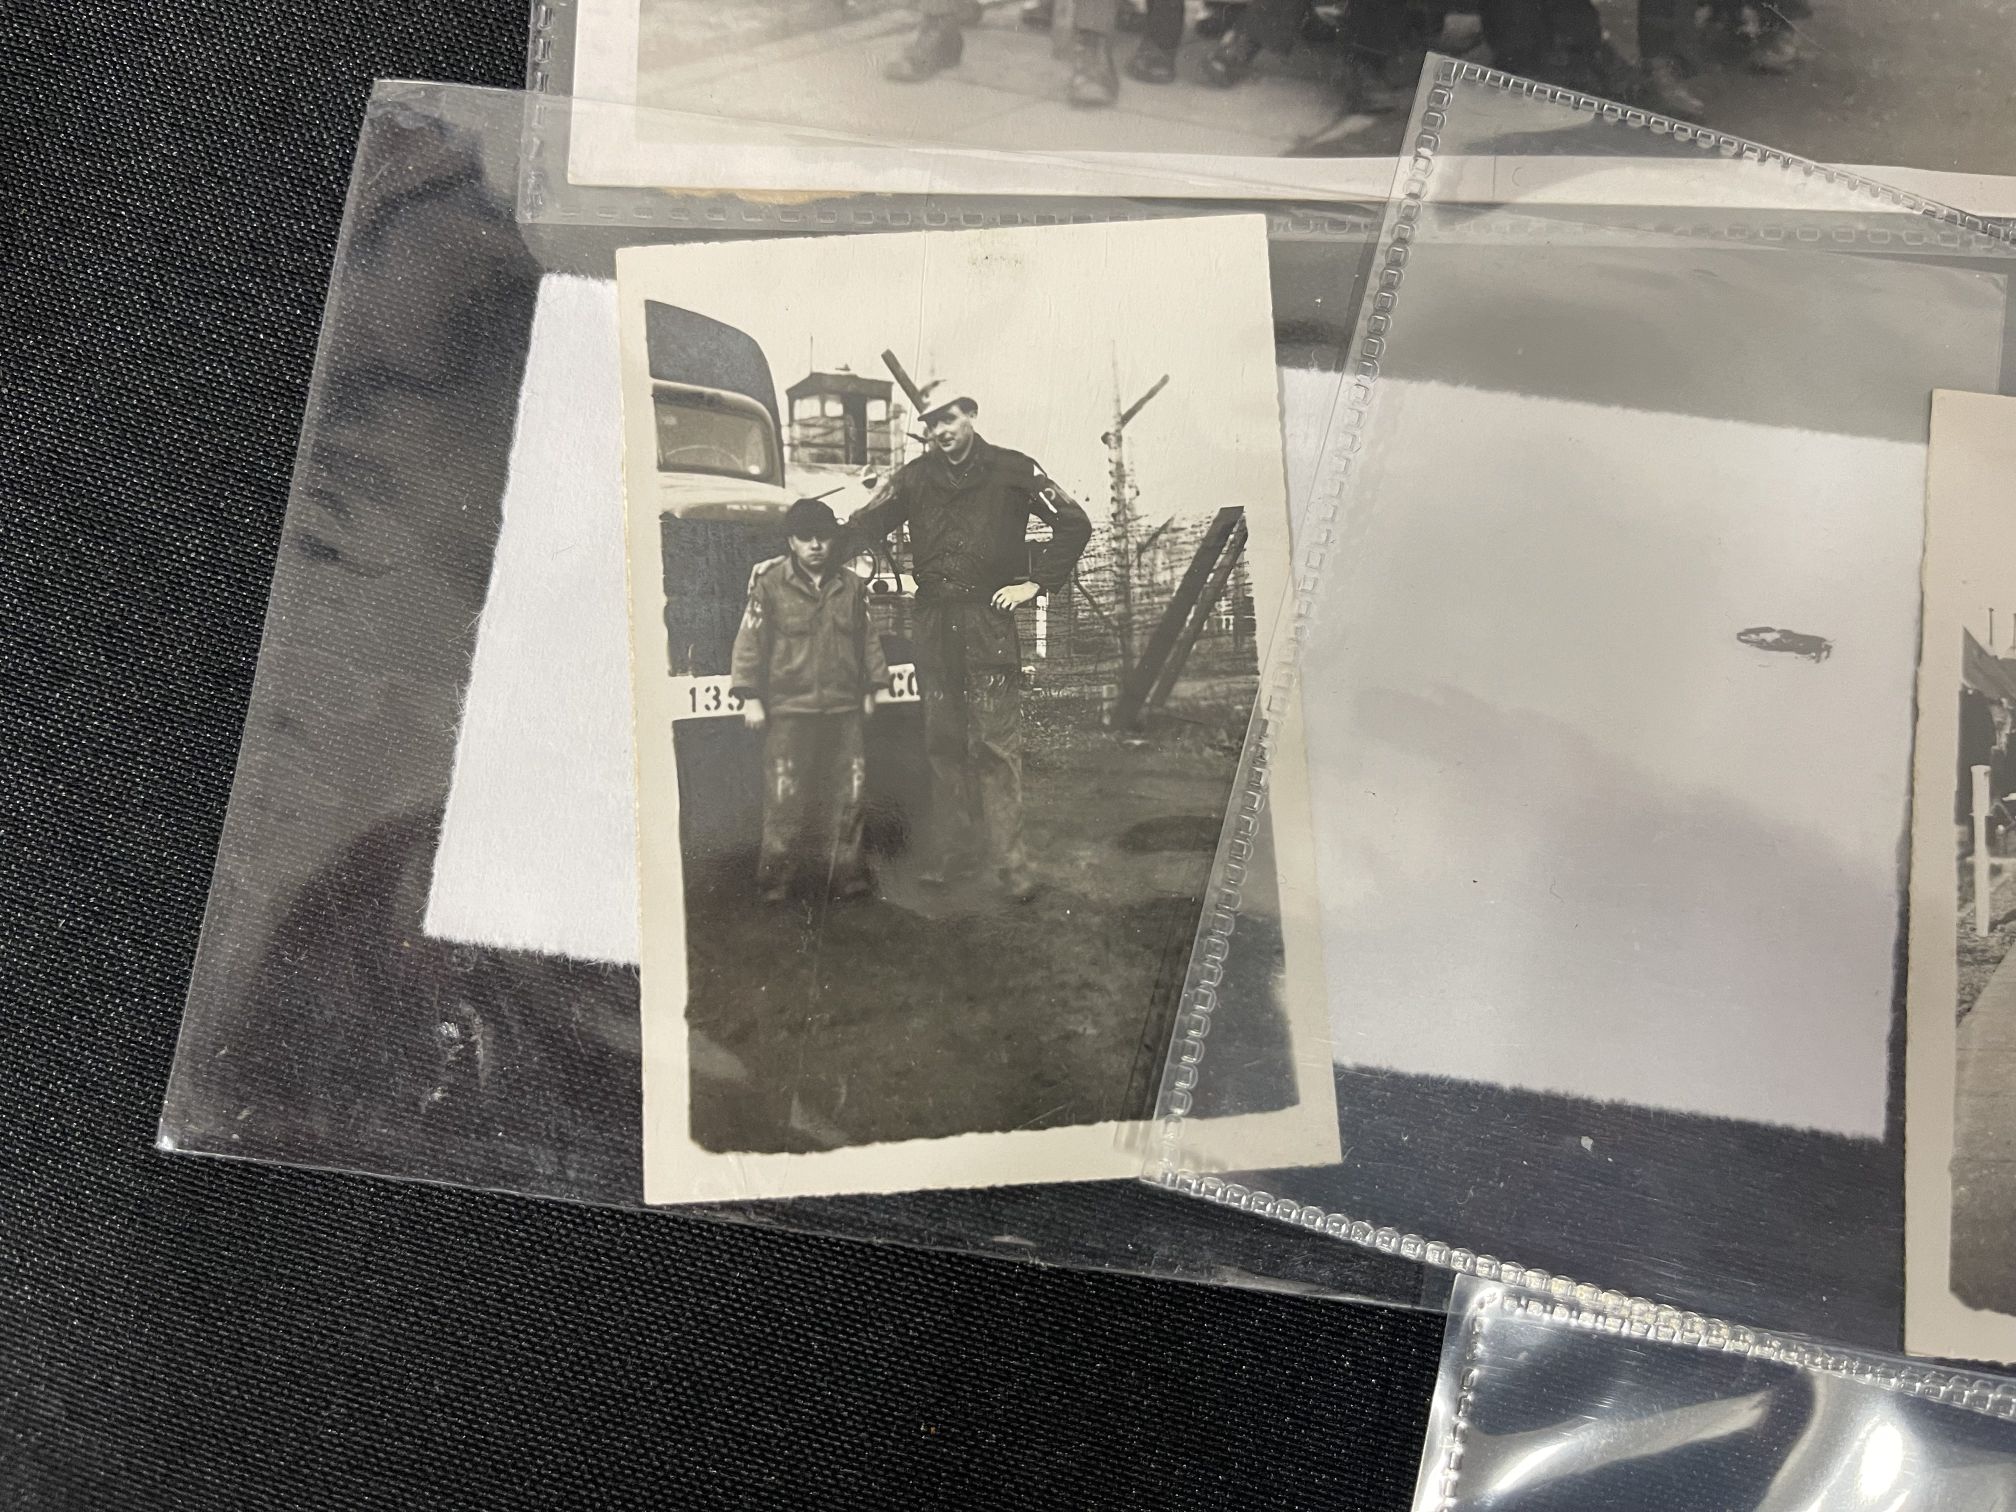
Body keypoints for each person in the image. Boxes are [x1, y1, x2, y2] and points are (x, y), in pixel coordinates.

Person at [847, 384, 1092, 901]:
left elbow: (1074, 523)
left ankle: (1010, 865)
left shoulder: (1014, 469)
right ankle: (955, 855)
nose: (939, 431)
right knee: (942, 743)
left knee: (994, 746)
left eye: (949, 420)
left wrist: (1035, 584)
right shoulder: (914, 478)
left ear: (972, 415)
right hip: (933, 623)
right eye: (931, 423)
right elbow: (864, 523)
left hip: (987, 622)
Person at [730, 497, 889, 904]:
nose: (816, 545)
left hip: (843, 709)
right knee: (784, 797)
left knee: (850, 796)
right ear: (791, 542)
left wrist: (872, 688)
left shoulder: (852, 587)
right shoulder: (769, 585)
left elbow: (867, 638)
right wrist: (750, 696)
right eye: (806, 538)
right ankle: (775, 882)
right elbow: (750, 641)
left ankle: (847, 877)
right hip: (790, 710)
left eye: (823, 537)